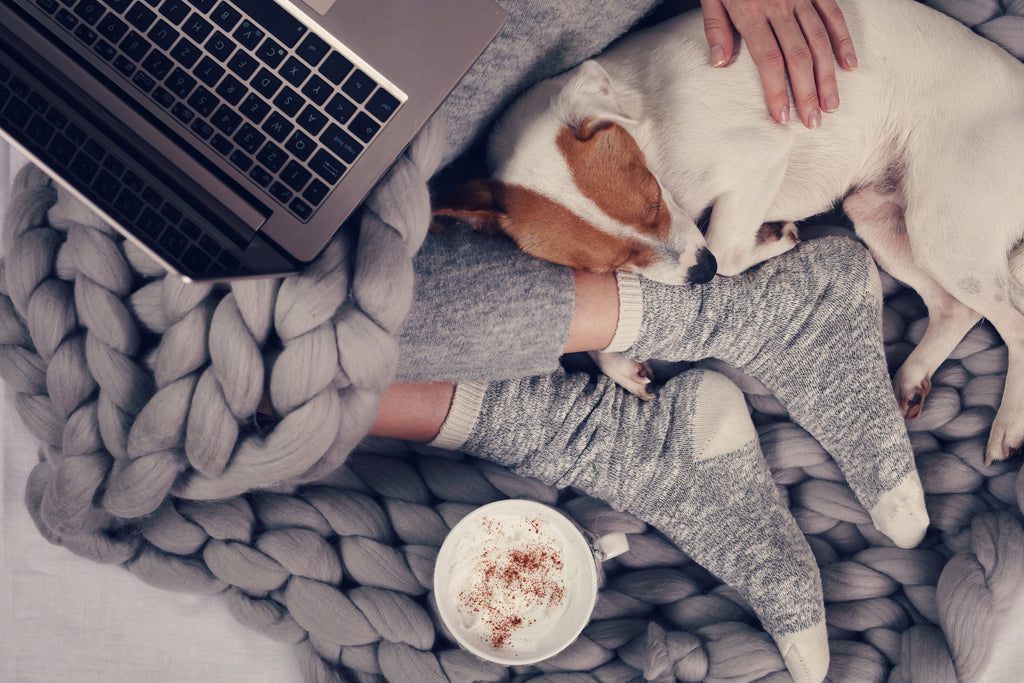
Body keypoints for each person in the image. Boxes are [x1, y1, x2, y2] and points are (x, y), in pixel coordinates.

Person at [348, 2, 916, 682]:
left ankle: (739, 319)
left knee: (320, 314)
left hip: (501, 39)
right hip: (368, 102)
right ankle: (606, 429)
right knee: (260, 339)